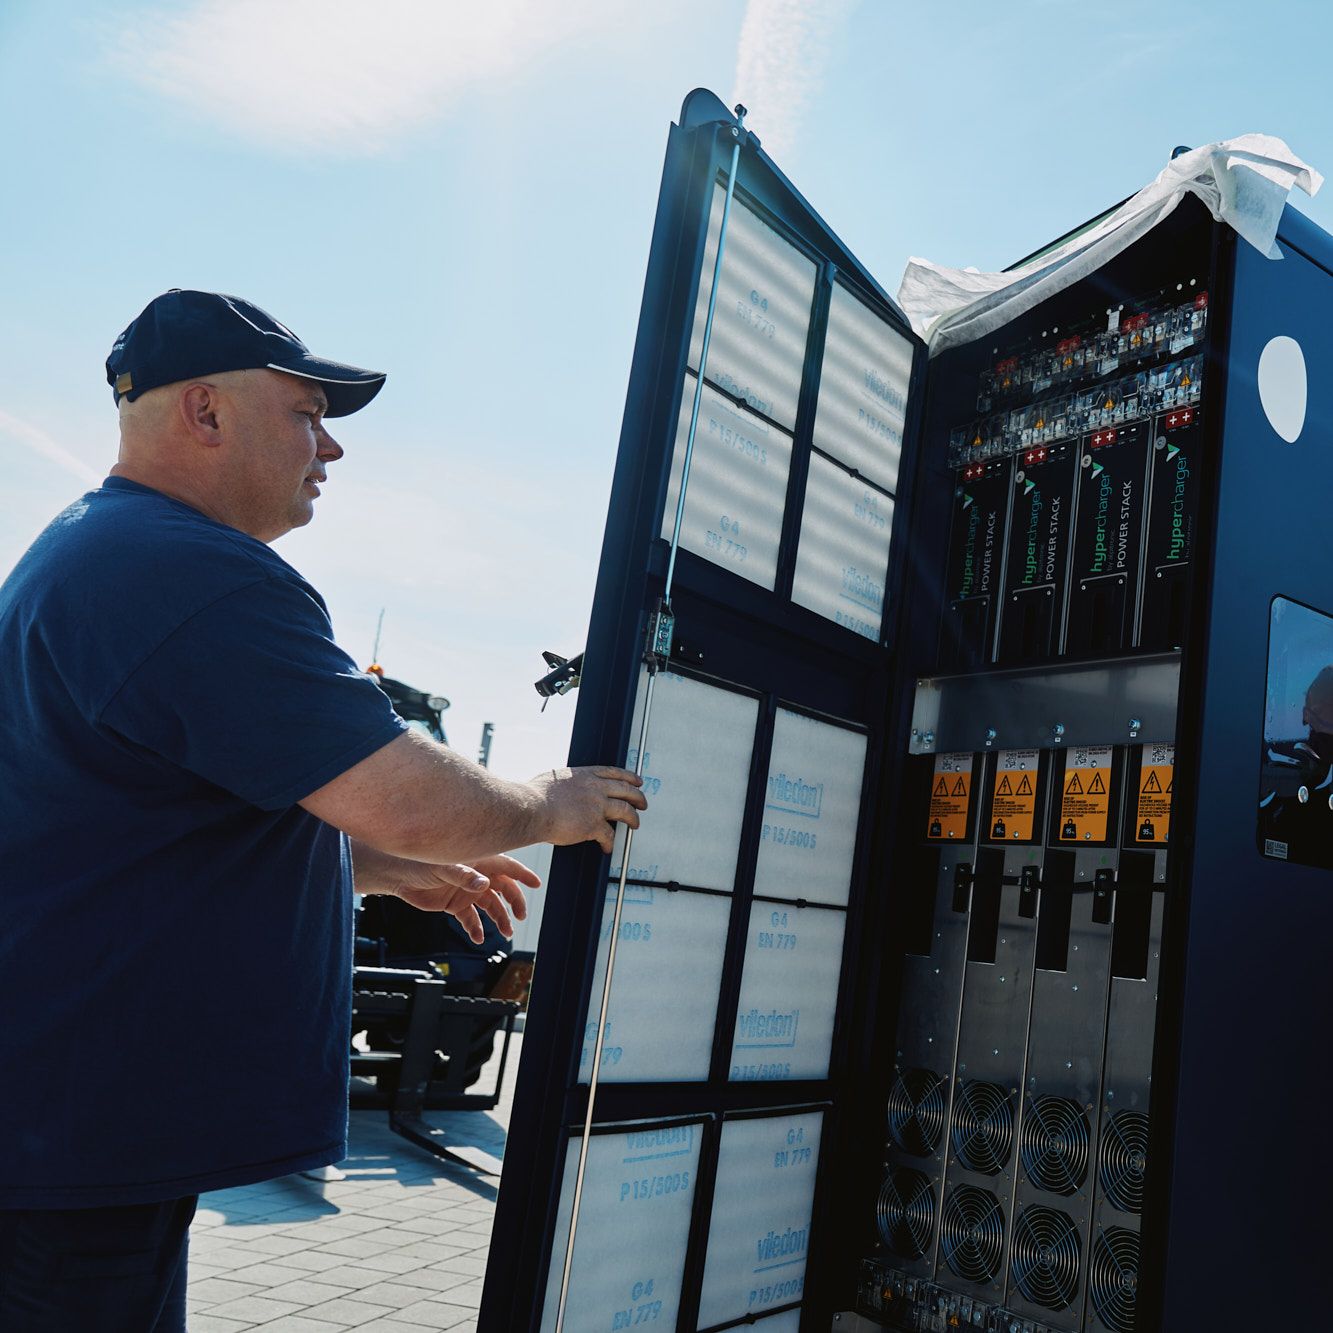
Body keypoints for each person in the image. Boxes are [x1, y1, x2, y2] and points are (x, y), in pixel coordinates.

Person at [0, 290, 648, 1331]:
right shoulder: (190, 571)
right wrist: (555, 801)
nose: (331, 447)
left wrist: (369, 869)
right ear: (205, 413)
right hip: (81, 1135)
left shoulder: (93, 550)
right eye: (307, 412)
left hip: (64, 1121)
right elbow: (410, 796)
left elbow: (133, 826)